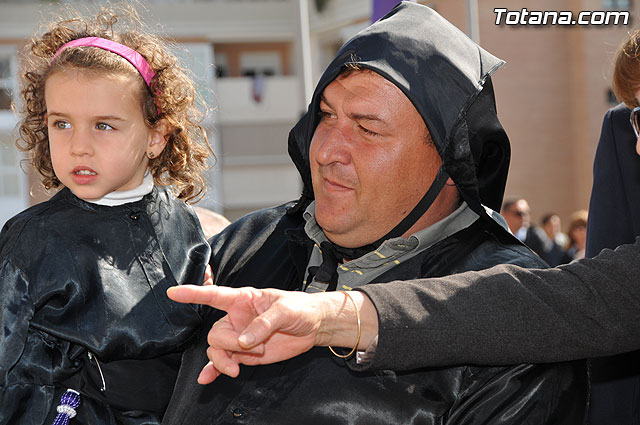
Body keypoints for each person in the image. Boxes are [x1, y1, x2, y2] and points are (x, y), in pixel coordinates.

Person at [164, 3, 588, 424]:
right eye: (326, 116)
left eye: (368, 130)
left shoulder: (514, 319)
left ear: (453, 163)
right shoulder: (248, 241)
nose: (326, 150)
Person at [0, 5, 213, 424]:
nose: (79, 146)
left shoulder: (184, 224)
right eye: (62, 124)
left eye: (103, 125)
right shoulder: (32, 238)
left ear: (156, 136)